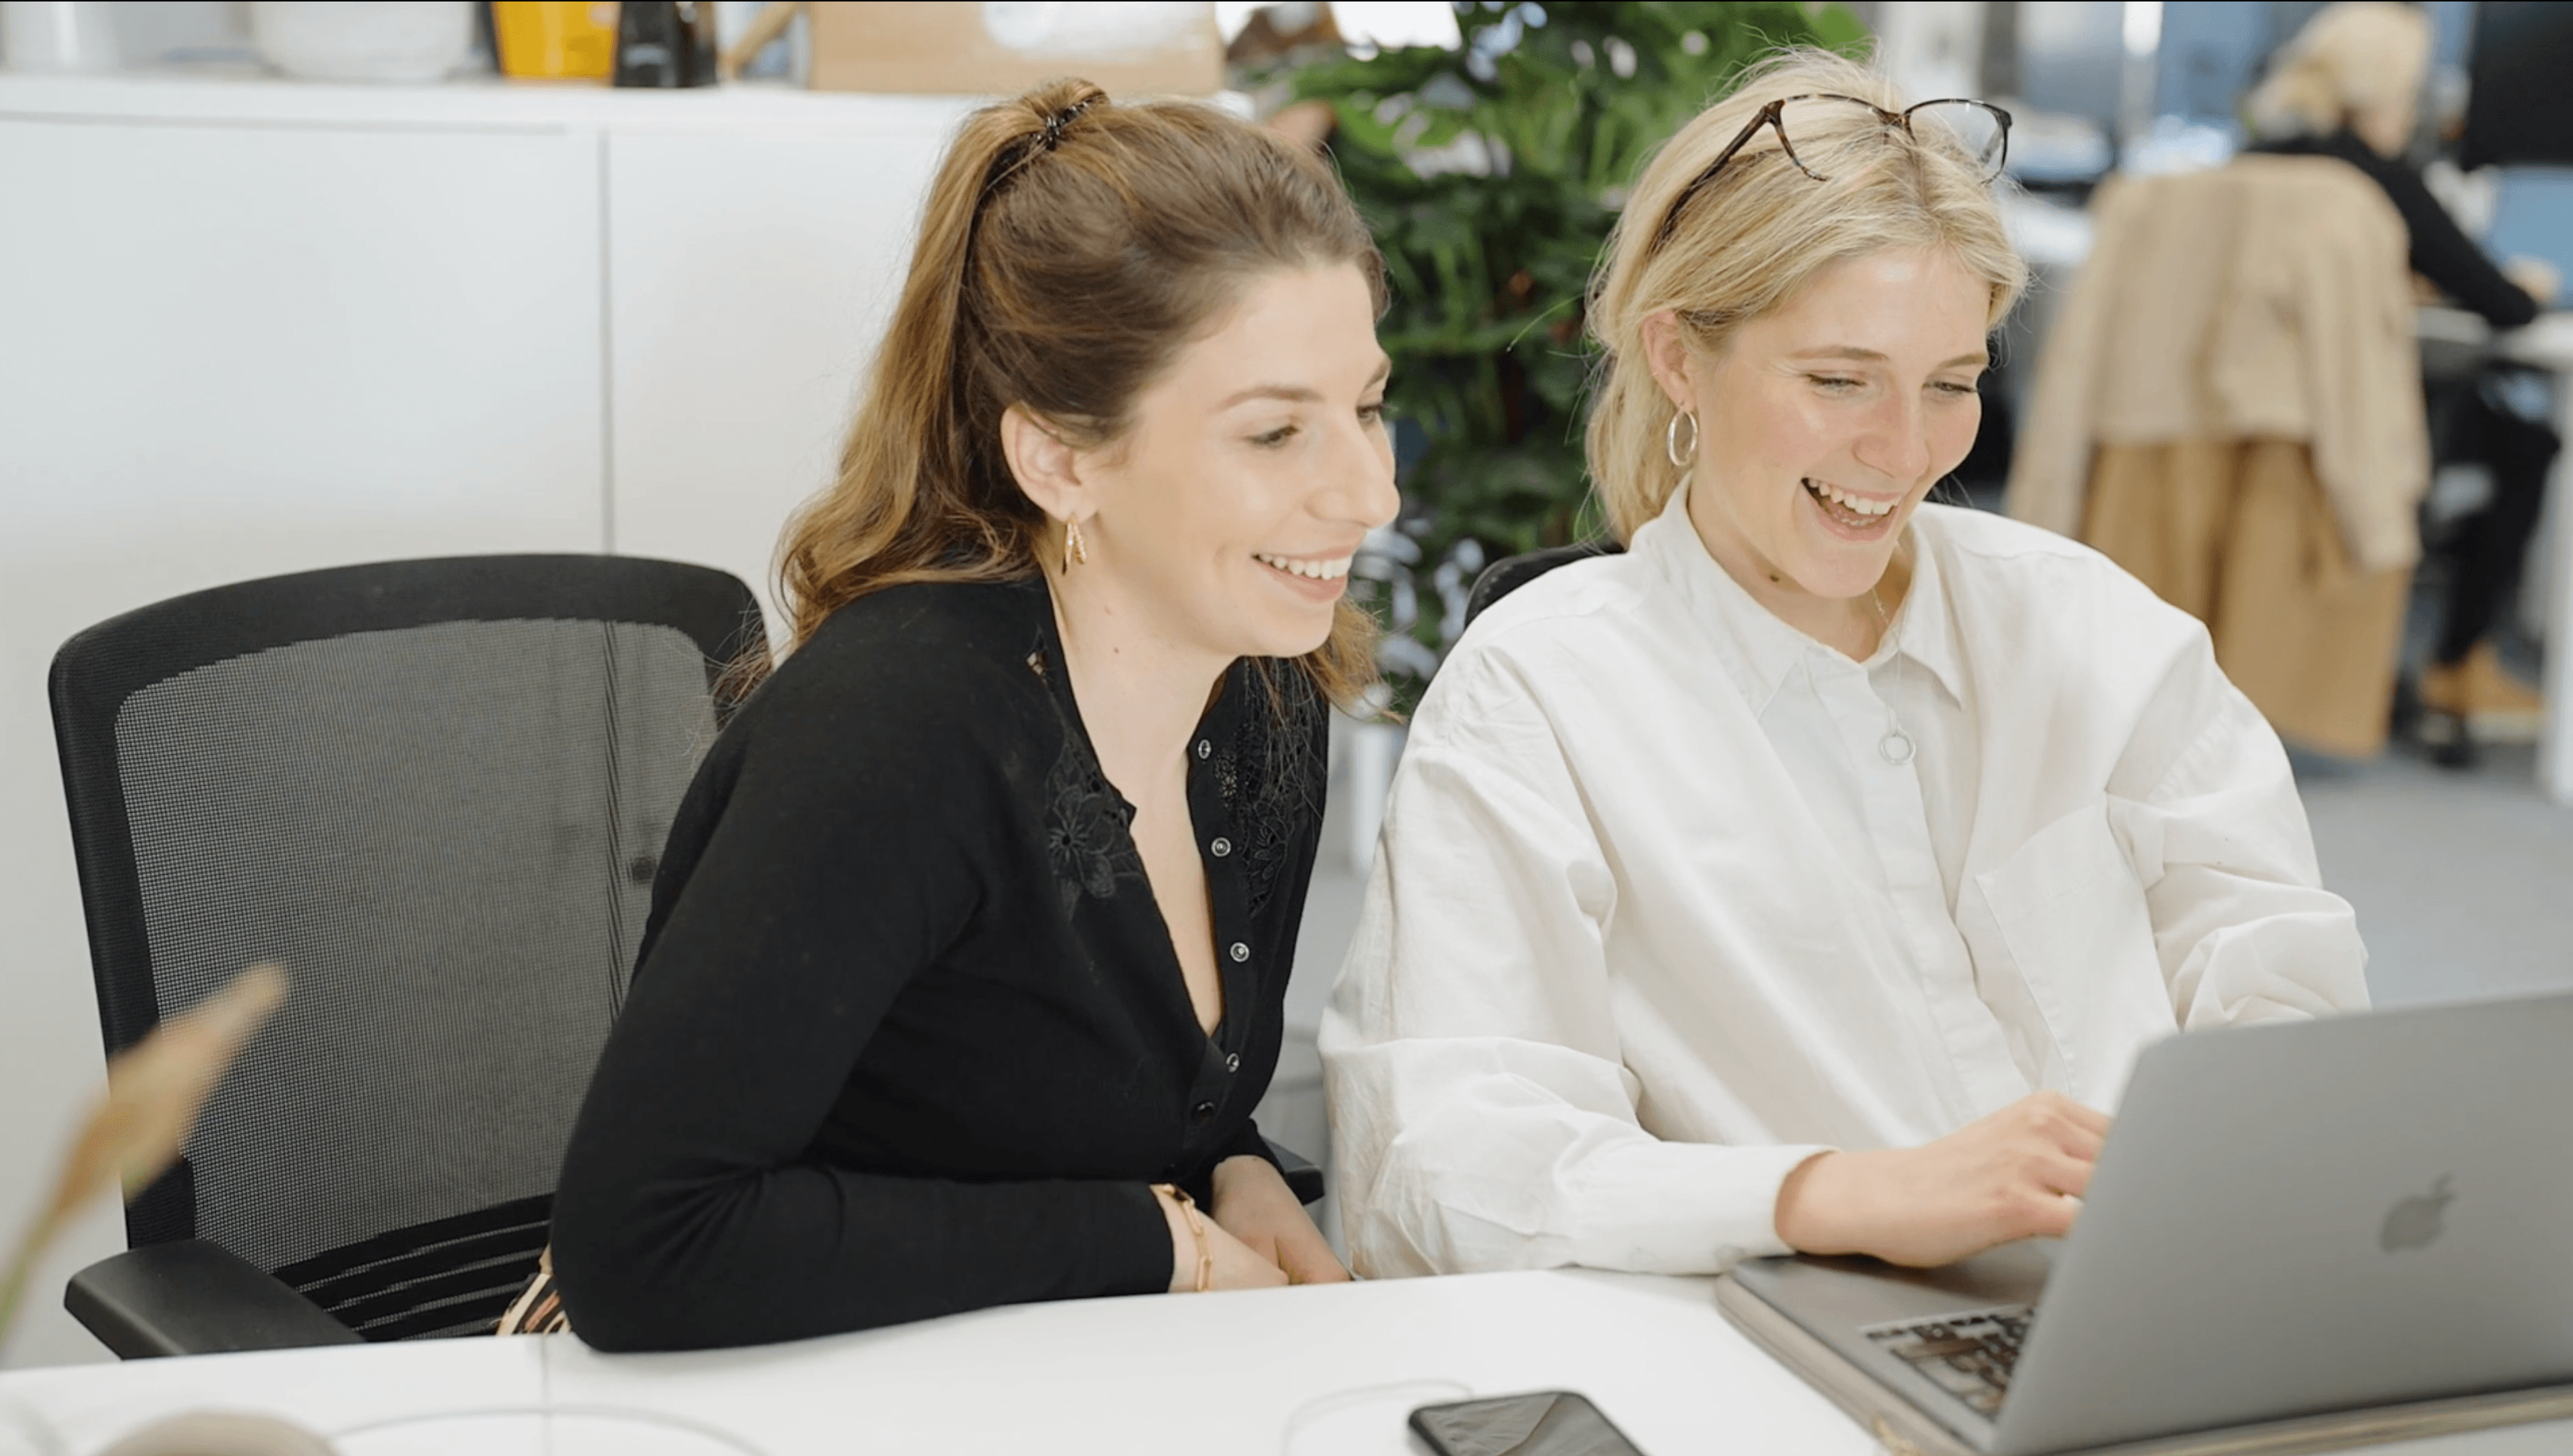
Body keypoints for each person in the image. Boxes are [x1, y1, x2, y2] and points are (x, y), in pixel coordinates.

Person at [1320, 52, 2372, 1281]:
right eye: (1837, 380)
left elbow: (2285, 994)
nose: (1904, 448)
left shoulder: (2090, 630)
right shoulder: (1543, 693)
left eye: (1952, 385)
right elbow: (1442, 1166)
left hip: (2160, 1303)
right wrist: (1835, 1191)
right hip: (1801, 1349)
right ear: (1676, 358)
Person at [534, 79, 1398, 1350]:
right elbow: (644, 1246)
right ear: (1059, 459)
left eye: (1368, 405)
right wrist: (1151, 1237)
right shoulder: (900, 731)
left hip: (1029, 1373)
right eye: (1275, 431)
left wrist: (1236, 1170)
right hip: (728, 1383)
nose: (1368, 490)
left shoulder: (1263, 681)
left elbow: (1125, 1093)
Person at [2246, 1, 2562, 751]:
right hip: (2352, 430)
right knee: (2527, 442)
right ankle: (2461, 662)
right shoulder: (2373, 175)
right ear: (2391, 89)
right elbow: (2504, 303)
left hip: (2258, 420)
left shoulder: (2255, 158)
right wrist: (2531, 285)